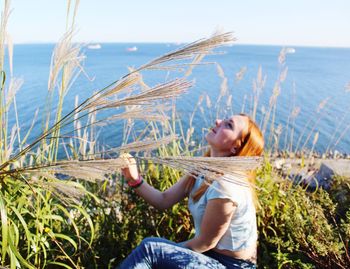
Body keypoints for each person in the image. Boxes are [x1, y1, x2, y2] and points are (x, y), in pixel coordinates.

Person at [119, 114, 264, 269]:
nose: (218, 121)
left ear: (235, 147)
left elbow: (205, 243)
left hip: (231, 265)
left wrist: (164, 252)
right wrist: (134, 179)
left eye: (229, 125)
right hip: (210, 256)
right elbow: (163, 200)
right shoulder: (202, 168)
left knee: (150, 250)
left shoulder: (225, 185)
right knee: (154, 251)